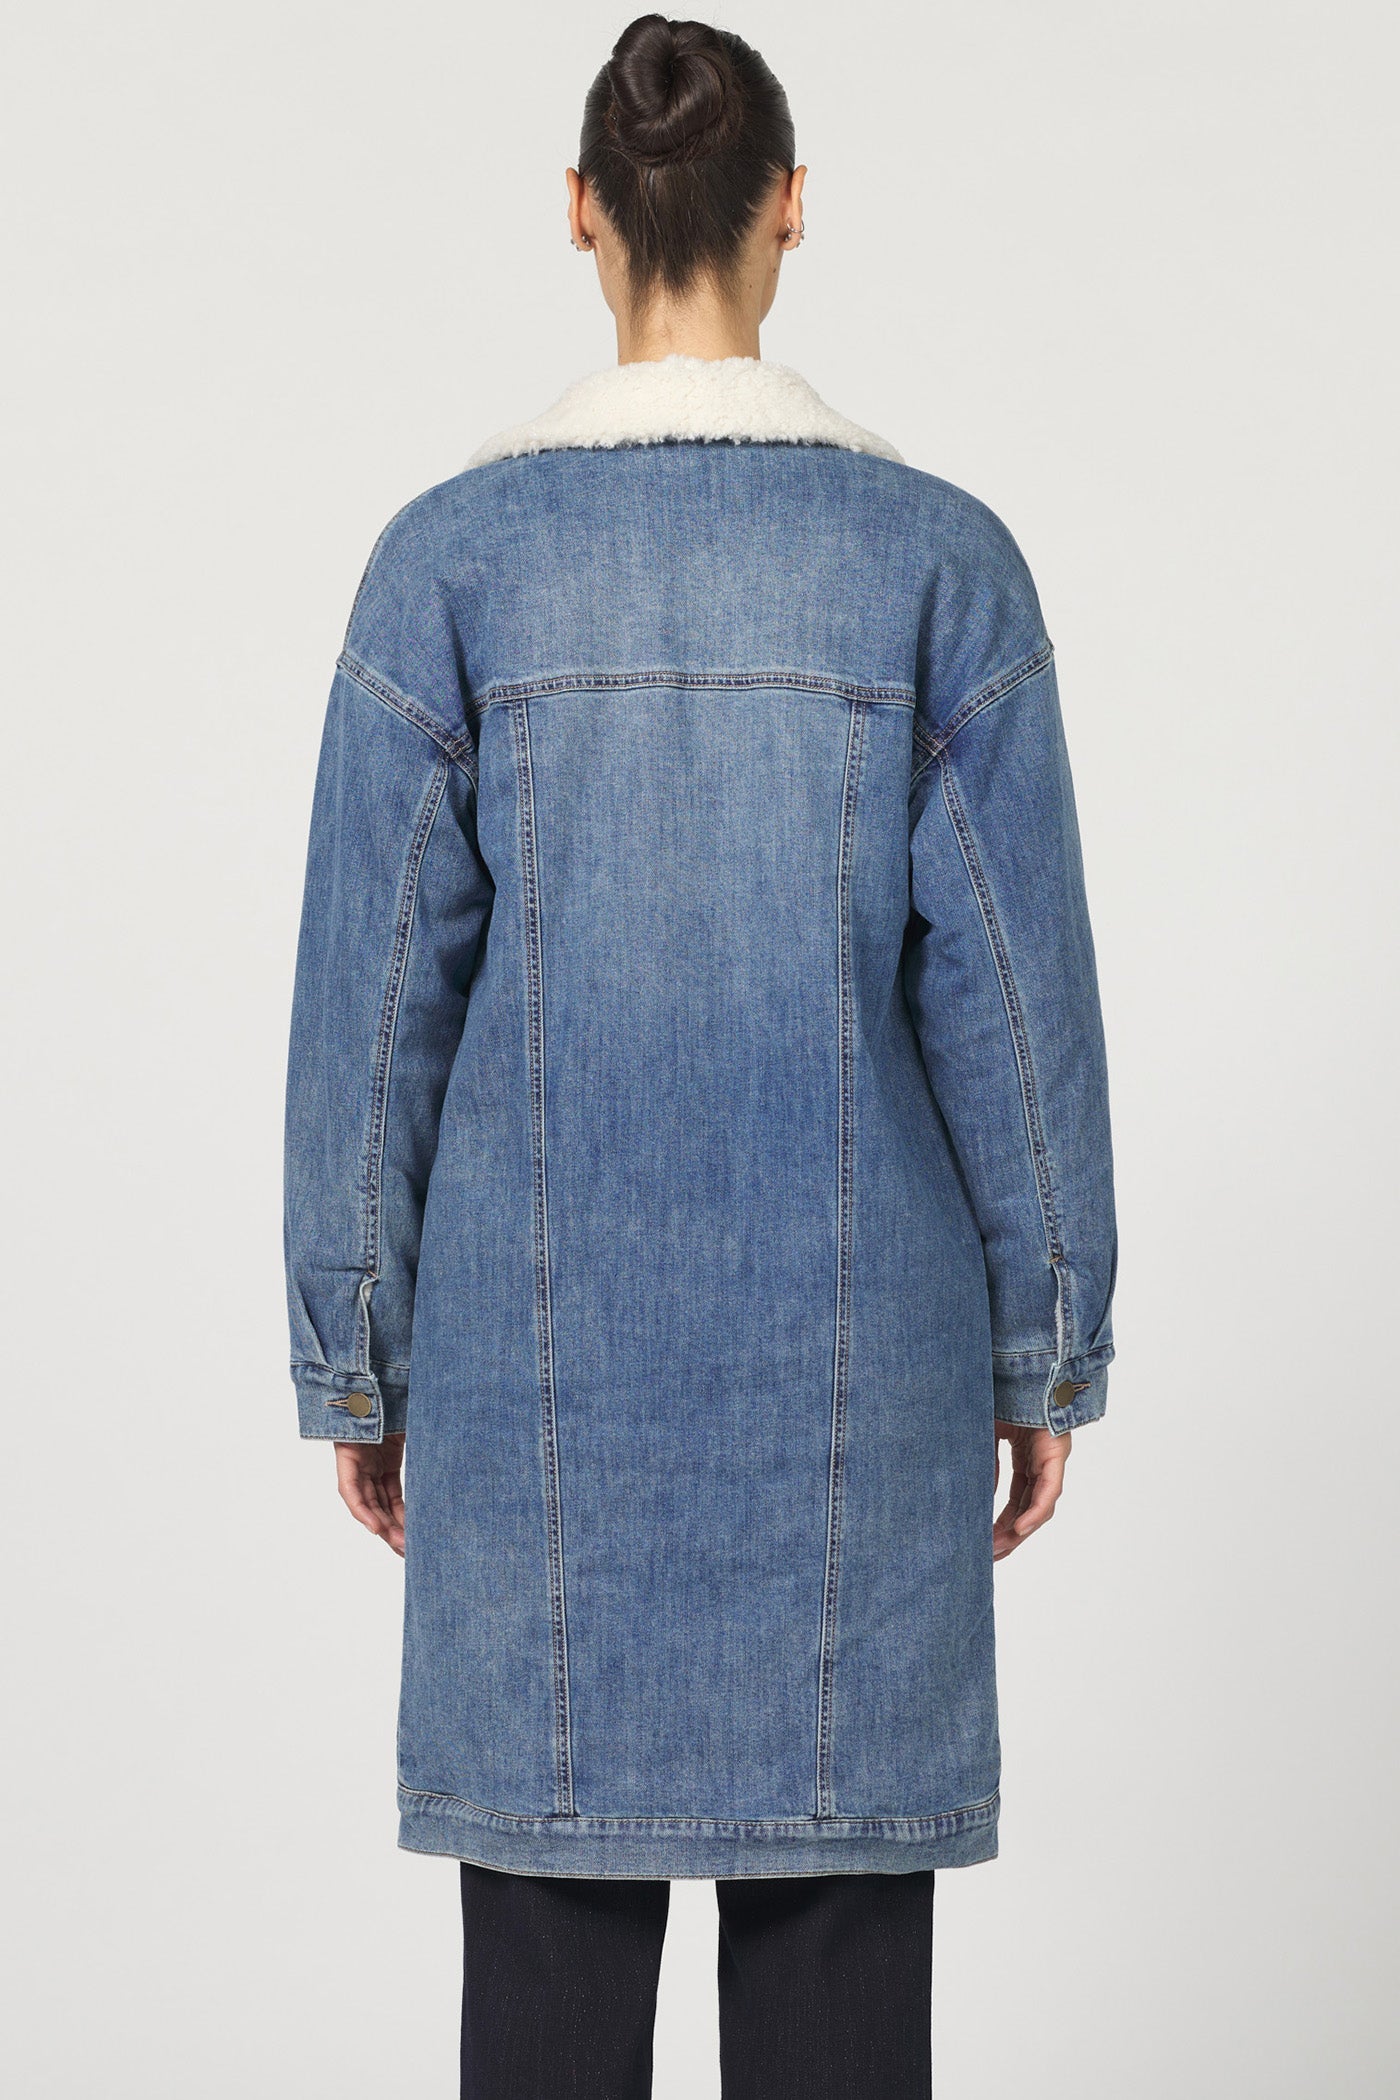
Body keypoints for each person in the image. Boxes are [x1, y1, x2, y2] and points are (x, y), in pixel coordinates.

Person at [282, 14, 1118, 2097]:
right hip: (859, 1415)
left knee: (541, 2034)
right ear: (791, 208)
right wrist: (1042, 1351)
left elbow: (374, 1009)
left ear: (581, 211)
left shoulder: (448, 567)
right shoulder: (936, 565)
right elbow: (1014, 1011)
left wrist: (357, 1357)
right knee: (841, 2031)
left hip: (535, 1416)